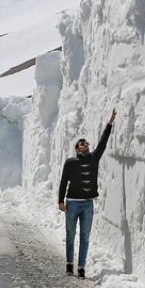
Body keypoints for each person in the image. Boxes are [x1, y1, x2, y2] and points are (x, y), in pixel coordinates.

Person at [58, 109, 116, 278]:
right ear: (77, 149)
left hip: (88, 204)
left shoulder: (94, 158)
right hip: (72, 202)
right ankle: (69, 264)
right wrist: (60, 201)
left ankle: (81, 267)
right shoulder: (70, 162)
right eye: (81, 143)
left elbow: (103, 142)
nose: (84, 145)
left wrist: (110, 122)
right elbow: (63, 182)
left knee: (85, 236)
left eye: (86, 143)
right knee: (70, 235)